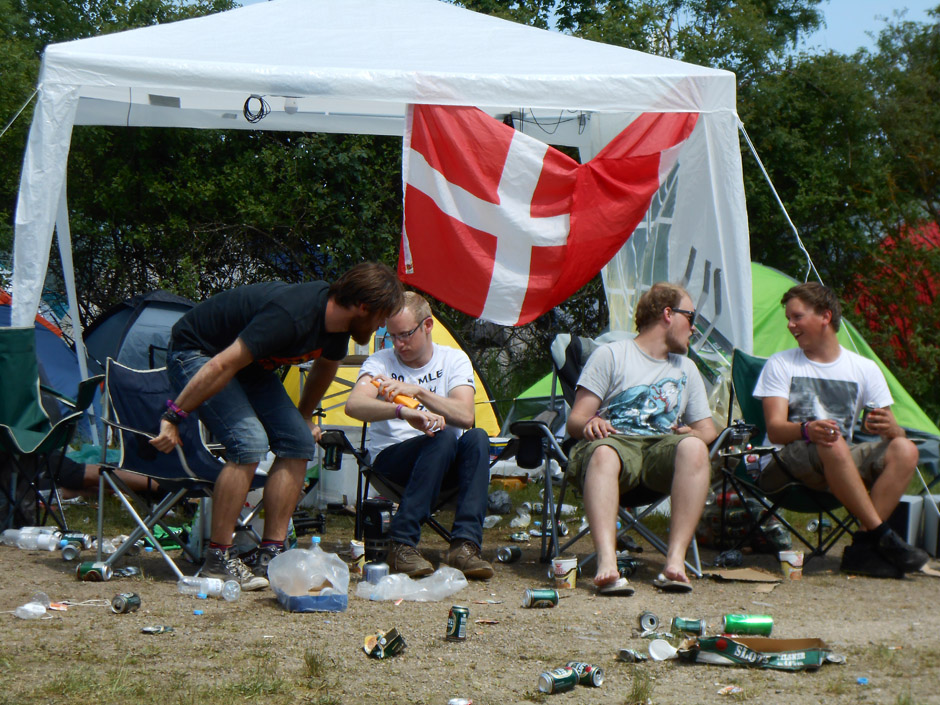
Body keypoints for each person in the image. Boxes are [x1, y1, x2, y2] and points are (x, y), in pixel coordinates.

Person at [150, 262, 404, 590]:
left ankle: (271, 554)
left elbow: (324, 369)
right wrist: (173, 416)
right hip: (198, 353)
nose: (382, 325)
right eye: (381, 317)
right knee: (248, 440)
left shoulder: (338, 327)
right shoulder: (291, 316)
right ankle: (218, 558)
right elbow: (222, 363)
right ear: (363, 307)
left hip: (248, 368)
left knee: (298, 440)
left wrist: (303, 417)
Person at [753, 281, 927, 578]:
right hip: (786, 461)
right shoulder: (781, 364)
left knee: (905, 449)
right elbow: (776, 430)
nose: (790, 325)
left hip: (838, 463)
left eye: (797, 317)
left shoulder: (863, 368)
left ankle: (862, 548)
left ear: (825, 316)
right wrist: (808, 430)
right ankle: (883, 535)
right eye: (788, 319)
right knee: (831, 441)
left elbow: (891, 432)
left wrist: (893, 429)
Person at [566, 282, 717, 591]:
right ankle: (607, 563)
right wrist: (589, 425)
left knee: (695, 448)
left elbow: (708, 431)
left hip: (661, 452)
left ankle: (675, 563)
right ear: (668, 314)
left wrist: (693, 434)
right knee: (605, 452)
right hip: (615, 448)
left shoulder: (686, 368)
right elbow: (576, 419)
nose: (694, 328)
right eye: (691, 317)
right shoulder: (611, 355)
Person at [345, 292, 494, 580]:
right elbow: (354, 405)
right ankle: (401, 544)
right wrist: (401, 411)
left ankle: (464, 546)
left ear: (427, 326)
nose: (399, 345)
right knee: (443, 436)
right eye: (393, 337)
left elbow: (465, 415)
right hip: (393, 462)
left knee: (476, 437)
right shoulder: (380, 363)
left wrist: (421, 393)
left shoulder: (454, 359)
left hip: (443, 460)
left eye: (405, 335)